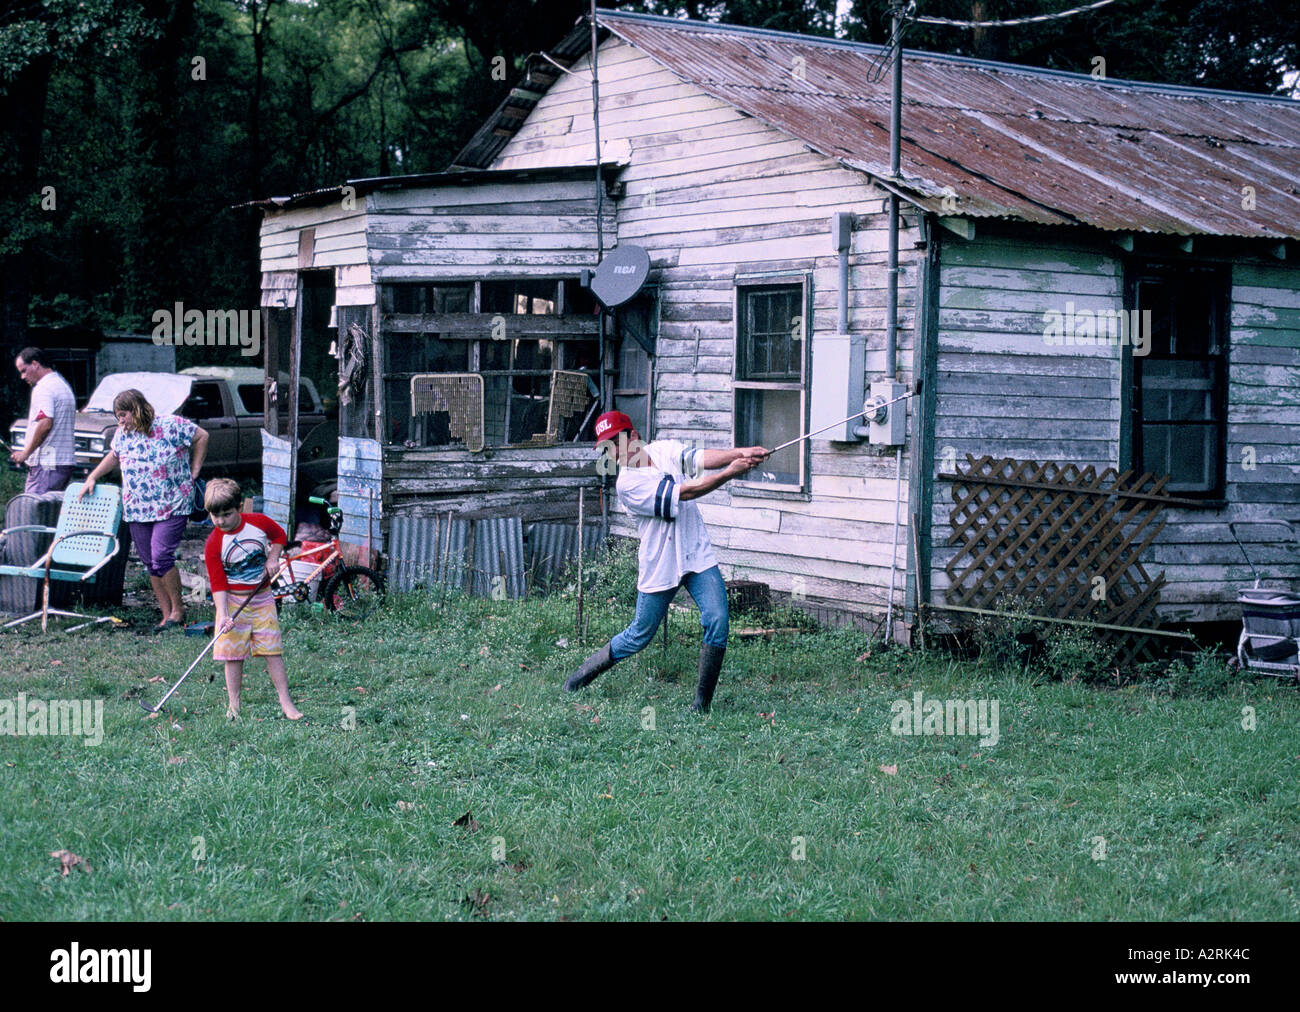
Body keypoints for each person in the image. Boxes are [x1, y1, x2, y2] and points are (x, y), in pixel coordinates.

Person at [562, 411, 769, 712]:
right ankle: (579, 678)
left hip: (696, 554)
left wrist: (740, 452)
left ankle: (701, 706)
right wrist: (730, 473)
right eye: (606, 447)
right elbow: (685, 492)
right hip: (661, 563)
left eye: (615, 443)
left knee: (717, 620)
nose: (613, 452)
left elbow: (700, 459)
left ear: (633, 437)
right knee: (639, 635)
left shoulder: (664, 450)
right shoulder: (627, 485)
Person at [80, 389, 208, 632]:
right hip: (138, 507)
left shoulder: (171, 424)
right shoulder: (123, 434)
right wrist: (93, 477)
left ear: (136, 408)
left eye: (123, 414)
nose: (121, 420)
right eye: (118, 416)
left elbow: (202, 436)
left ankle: (178, 610)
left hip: (172, 502)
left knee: (161, 556)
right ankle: (166, 614)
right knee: (150, 562)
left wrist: (195, 470)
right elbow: (114, 456)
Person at [202, 478, 302, 721]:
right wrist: (224, 614)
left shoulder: (257, 523)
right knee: (232, 656)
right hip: (233, 603)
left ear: (240, 508)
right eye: (215, 516)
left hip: (262, 599)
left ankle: (286, 703)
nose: (221, 521)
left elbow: (279, 535)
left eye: (227, 514)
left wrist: (272, 558)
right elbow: (218, 583)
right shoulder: (213, 543)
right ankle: (234, 706)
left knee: (272, 651)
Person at [11, 347, 76, 496]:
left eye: (23, 371)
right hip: (63, 462)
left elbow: (45, 423)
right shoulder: (62, 384)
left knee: (33, 513)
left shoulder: (43, 388)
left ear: (35, 364)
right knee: (51, 514)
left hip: (46, 464)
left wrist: (25, 453)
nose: (22, 377)